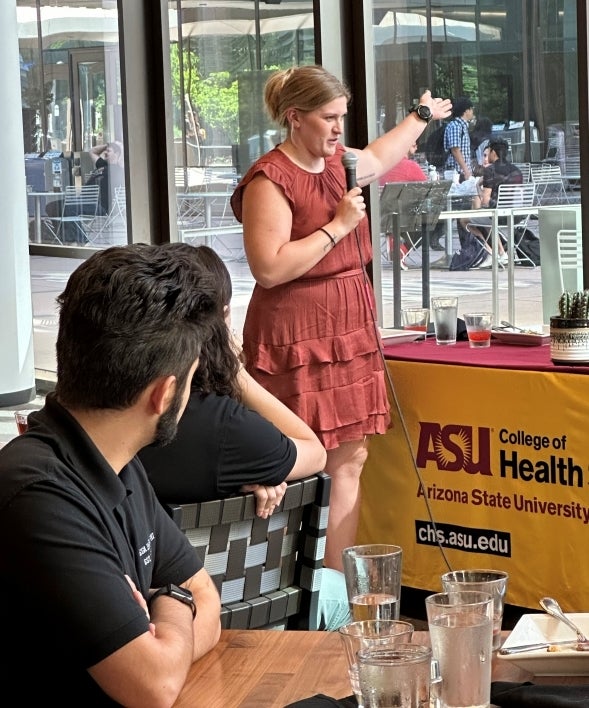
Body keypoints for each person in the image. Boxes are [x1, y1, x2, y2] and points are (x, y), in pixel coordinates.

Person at [230, 65, 452, 571]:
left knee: (350, 458)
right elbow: (268, 268)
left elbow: (379, 155)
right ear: (294, 118)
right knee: (295, 458)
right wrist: (337, 227)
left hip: (347, 319)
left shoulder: (340, 164)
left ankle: (335, 596)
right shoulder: (271, 178)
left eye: (342, 118)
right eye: (329, 118)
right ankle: (288, 588)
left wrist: (420, 116)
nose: (337, 129)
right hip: (296, 326)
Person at [0, 243, 222, 705]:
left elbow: (208, 597)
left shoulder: (118, 465)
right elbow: (153, 686)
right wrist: (176, 603)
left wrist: (163, 631)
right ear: (163, 395)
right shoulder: (37, 493)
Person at [139, 244, 350, 631]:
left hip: (150, 620)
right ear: (221, 321)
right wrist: (236, 373)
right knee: (337, 589)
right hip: (250, 615)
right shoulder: (234, 431)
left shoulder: (128, 422)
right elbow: (314, 452)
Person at [378, 141, 443, 259]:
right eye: (414, 144)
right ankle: (402, 249)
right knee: (434, 217)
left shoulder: (384, 166)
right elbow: (428, 190)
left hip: (383, 217)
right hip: (406, 217)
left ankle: (395, 240)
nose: (417, 147)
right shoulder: (411, 166)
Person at [465, 138, 523, 268]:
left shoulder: (490, 170)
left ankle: (490, 252)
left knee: (465, 220)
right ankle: (502, 253)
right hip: (518, 216)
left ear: (493, 152)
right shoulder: (516, 170)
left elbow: (485, 202)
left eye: (489, 151)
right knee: (488, 216)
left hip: (499, 217)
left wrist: (478, 187)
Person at [88, 140, 125, 215]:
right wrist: (107, 145)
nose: (105, 152)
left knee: (65, 209)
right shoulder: (103, 164)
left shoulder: (119, 170)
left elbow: (124, 160)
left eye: (108, 151)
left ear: (117, 154)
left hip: (99, 206)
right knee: (60, 205)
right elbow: (92, 151)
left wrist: (120, 148)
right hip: (87, 201)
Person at [443, 96, 474, 180]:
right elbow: (455, 150)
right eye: (471, 109)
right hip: (456, 173)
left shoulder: (463, 126)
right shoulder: (455, 126)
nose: (472, 112)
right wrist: (466, 170)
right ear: (466, 110)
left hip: (462, 172)